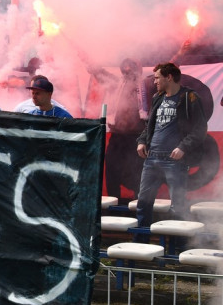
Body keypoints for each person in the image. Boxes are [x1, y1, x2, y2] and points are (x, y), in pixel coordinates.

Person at [135, 62, 208, 227]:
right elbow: (151, 126)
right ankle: (141, 243)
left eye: (157, 78)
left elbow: (200, 128)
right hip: (152, 158)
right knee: (144, 203)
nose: (155, 82)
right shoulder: (157, 98)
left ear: (169, 77)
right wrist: (141, 141)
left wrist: (183, 147)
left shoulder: (189, 97)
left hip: (174, 161)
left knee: (178, 206)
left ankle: (178, 246)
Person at [89, 58, 145, 201]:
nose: (127, 73)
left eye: (130, 70)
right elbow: (99, 72)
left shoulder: (146, 86)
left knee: (138, 172)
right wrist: (86, 59)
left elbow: (169, 71)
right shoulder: (118, 84)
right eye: (124, 71)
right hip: (118, 136)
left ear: (138, 70)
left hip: (137, 137)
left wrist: (182, 51)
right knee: (112, 169)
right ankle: (113, 205)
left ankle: (140, 205)